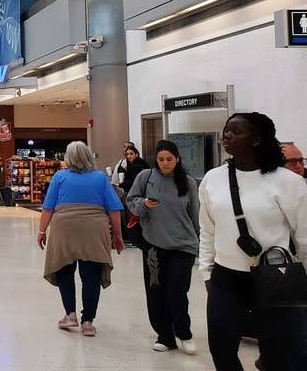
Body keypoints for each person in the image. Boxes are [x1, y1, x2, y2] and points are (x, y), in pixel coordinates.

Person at [199, 112, 307, 371]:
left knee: (276, 355)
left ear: (257, 140)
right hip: (226, 277)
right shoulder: (213, 179)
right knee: (221, 349)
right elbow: (207, 229)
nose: (227, 135)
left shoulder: (288, 182)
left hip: (274, 277)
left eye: (236, 131)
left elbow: (304, 237)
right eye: (226, 129)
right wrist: (206, 271)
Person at [38, 141, 125, 338]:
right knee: (91, 276)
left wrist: (42, 231)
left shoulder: (59, 177)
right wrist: (117, 236)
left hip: (64, 229)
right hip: (94, 229)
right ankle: (88, 322)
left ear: (68, 158)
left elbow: (48, 208)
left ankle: (70, 314)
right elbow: (114, 209)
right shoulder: (101, 178)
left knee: (64, 272)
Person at [126, 140, 200, 354]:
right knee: (156, 291)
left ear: (177, 159)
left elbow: (195, 214)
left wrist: (201, 242)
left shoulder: (188, 182)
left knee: (177, 292)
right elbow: (131, 202)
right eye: (161, 159)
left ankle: (184, 333)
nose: (165, 163)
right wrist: (143, 205)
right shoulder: (145, 177)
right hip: (154, 246)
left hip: (183, 245)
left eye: (169, 159)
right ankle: (165, 335)